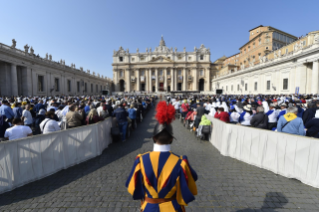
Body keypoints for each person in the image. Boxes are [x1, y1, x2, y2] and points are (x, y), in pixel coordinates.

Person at [125, 101, 197, 212]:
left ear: (153, 138)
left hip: (149, 207)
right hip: (173, 208)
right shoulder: (181, 162)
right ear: (172, 139)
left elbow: (132, 187)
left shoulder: (141, 160)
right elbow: (192, 180)